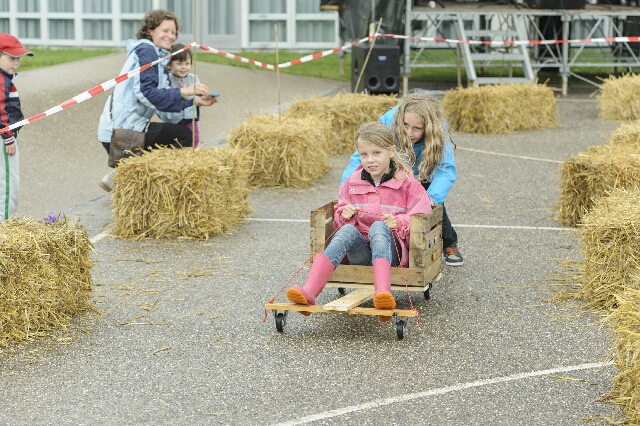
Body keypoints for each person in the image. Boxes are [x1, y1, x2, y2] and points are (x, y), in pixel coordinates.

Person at [287, 122, 433, 322]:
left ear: (391, 151)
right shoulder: (352, 183)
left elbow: (423, 212)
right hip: (361, 254)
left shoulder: (406, 183)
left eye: (376, 153)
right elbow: (339, 218)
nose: (370, 160)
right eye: (364, 154)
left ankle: (382, 294)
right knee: (346, 231)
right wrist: (344, 214)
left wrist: (399, 222)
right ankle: (310, 291)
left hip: (392, 254)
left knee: (378, 226)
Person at [97, 10, 217, 192]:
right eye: (165, 30)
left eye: (174, 32)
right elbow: (147, 93)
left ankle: (122, 174)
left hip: (129, 127)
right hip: (121, 131)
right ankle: (168, 190)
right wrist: (183, 91)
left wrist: (194, 102)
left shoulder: (160, 59)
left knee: (179, 133)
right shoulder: (147, 50)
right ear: (150, 30)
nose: (171, 36)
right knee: (184, 136)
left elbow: (163, 109)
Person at [341, 93, 463, 266]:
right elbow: (361, 156)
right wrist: (346, 189)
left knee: (434, 206)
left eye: (417, 129)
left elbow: (446, 170)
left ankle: (449, 243)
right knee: (387, 203)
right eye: (405, 125)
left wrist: (428, 201)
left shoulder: (438, 132)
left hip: (422, 171)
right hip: (394, 171)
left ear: (428, 128)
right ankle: (383, 243)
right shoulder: (387, 122)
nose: (409, 133)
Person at [0, 34, 33, 221]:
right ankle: (3, 227)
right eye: (11, 58)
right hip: (4, 137)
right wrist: (8, 136)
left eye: (18, 58)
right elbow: (0, 108)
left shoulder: (5, 77)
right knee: (7, 184)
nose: (16, 63)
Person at [165, 43, 201, 147]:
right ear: (169, 64)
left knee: (193, 139)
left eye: (187, 63)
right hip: (173, 120)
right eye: (179, 63)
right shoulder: (167, 79)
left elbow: (198, 97)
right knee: (175, 142)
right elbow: (165, 97)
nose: (184, 67)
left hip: (190, 118)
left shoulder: (194, 78)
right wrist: (178, 94)